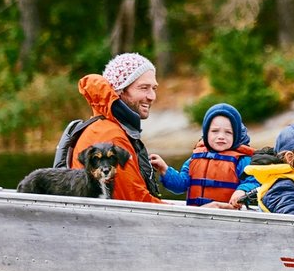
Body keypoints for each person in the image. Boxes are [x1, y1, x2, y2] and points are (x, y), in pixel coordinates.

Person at [72, 52, 164, 203]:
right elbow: (135, 202)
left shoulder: (109, 127)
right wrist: (196, 211)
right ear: (119, 91)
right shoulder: (109, 136)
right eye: (144, 88)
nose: (152, 96)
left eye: (154, 88)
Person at [150, 103, 255, 207]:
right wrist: (164, 169)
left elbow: (254, 182)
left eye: (228, 132)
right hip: (197, 217)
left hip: (226, 217)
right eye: (215, 131)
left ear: (236, 135)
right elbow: (180, 186)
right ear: (206, 133)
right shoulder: (194, 159)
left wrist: (242, 191)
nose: (221, 136)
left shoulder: (242, 160)